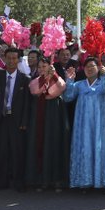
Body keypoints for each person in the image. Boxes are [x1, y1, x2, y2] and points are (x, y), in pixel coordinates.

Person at [64, 56, 105, 192]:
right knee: (86, 149)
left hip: (101, 126)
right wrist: (69, 80)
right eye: (87, 66)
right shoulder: (80, 85)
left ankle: (104, 182)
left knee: (101, 150)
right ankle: (85, 181)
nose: (89, 69)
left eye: (92, 66)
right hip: (84, 126)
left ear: (98, 68)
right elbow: (67, 97)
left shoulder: (103, 83)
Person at [0, 47, 30, 192]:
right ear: (4, 59)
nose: (11, 61)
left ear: (18, 60)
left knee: (17, 151)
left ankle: (18, 181)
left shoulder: (24, 79)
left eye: (14, 58)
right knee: (2, 150)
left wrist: (24, 122)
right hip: (1, 118)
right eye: (8, 58)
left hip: (16, 120)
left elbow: (27, 104)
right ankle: (2, 181)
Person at [26, 56, 70, 191]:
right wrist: (46, 79)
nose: (41, 69)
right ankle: (41, 180)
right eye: (39, 67)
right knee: (40, 143)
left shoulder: (57, 78)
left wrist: (54, 75)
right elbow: (35, 90)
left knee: (55, 143)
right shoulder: (35, 80)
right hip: (40, 114)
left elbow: (60, 88)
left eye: (44, 66)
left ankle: (57, 180)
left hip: (54, 115)